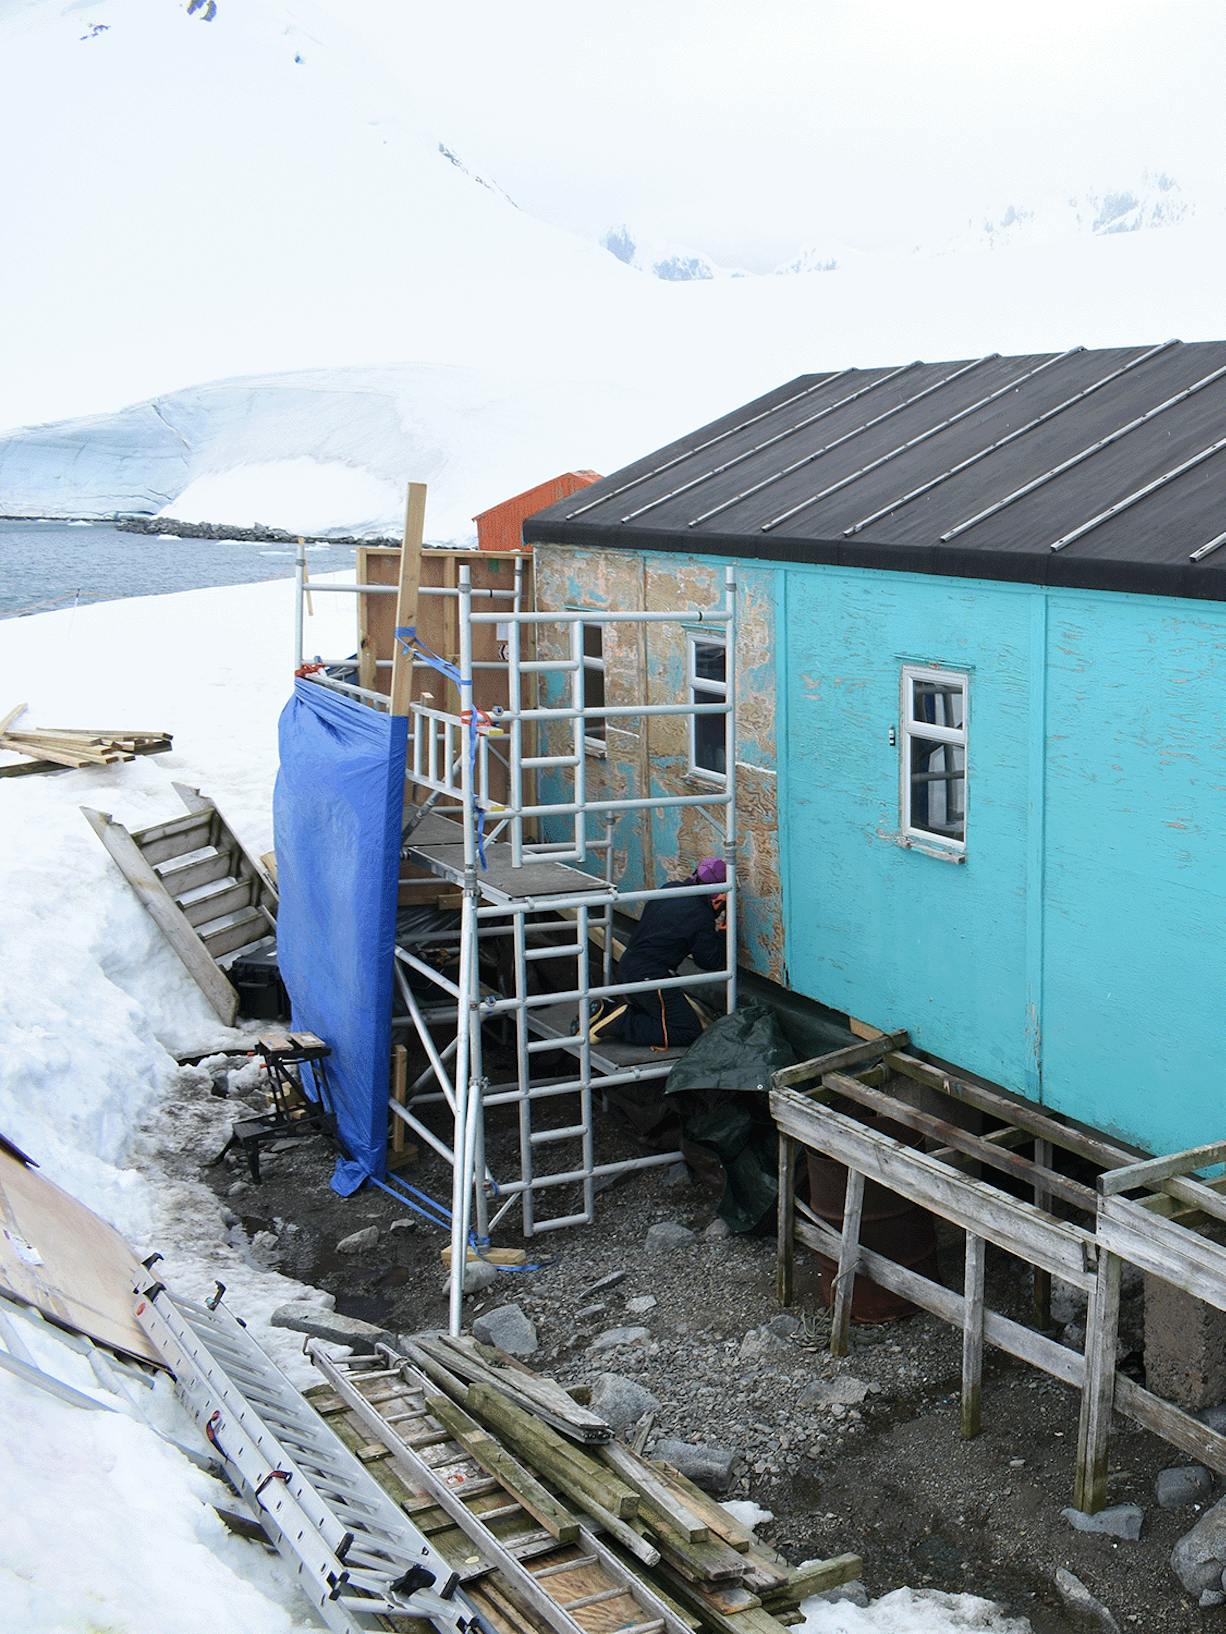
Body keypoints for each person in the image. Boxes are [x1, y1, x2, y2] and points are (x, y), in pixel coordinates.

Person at [587, 858, 728, 1049]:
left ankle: (608, 1011)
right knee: (686, 1031)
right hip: (651, 977)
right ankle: (622, 1021)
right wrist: (722, 934)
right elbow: (709, 961)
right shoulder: (701, 917)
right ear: (718, 897)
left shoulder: (670, 888)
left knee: (663, 1013)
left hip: (628, 965)